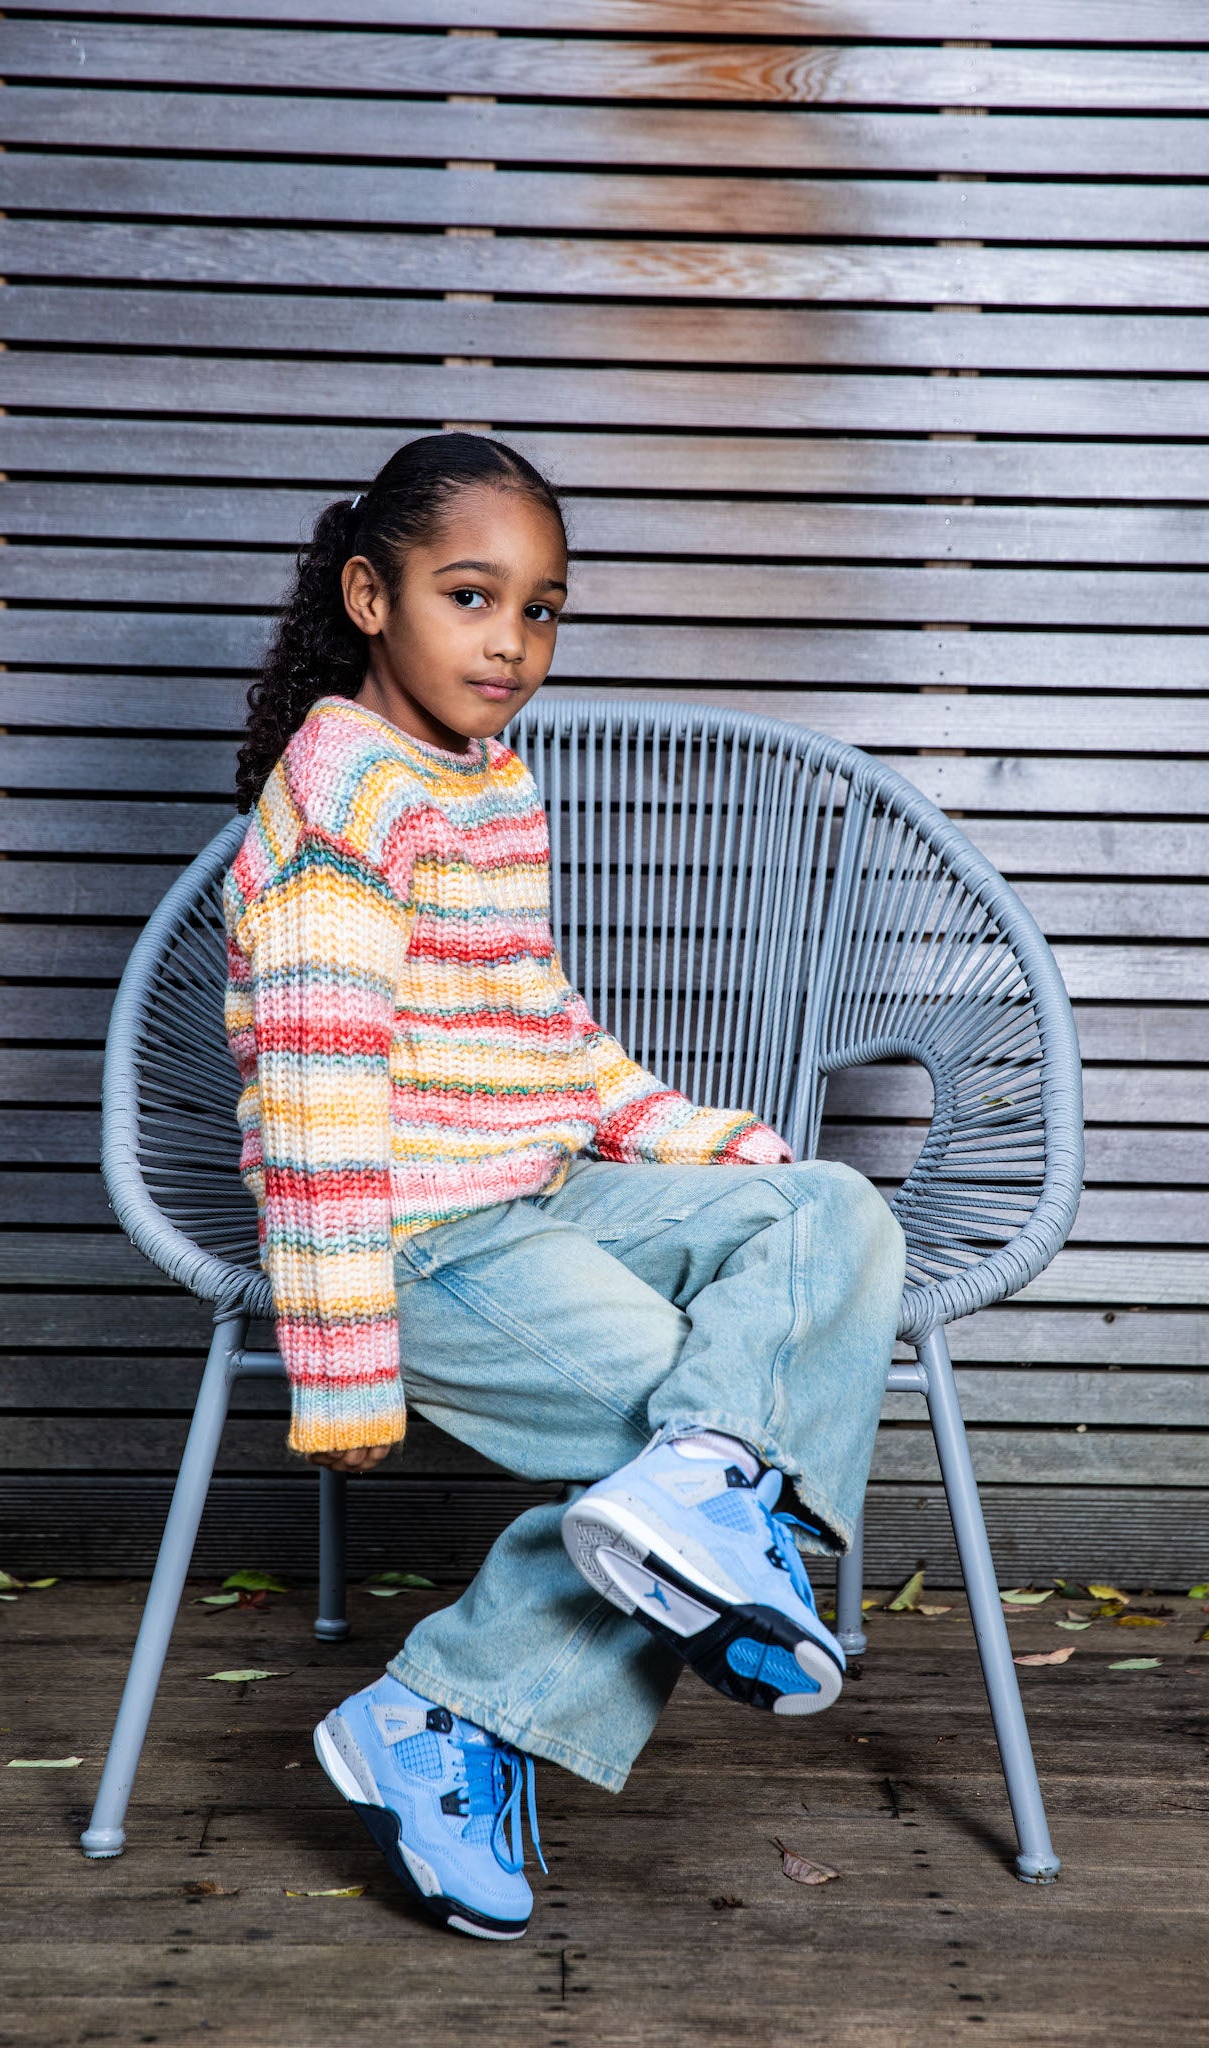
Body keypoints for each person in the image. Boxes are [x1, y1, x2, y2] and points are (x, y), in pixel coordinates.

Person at [225, 431, 906, 1942]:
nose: (509, 641)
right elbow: (318, 1092)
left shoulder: (490, 782)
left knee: (833, 1213)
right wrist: (340, 1370)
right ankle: (463, 1703)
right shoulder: (342, 793)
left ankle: (653, 1541)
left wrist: (702, 1140)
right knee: (699, 1444)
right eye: (471, 596)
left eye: (540, 610)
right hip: (410, 1240)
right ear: (368, 595)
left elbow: (541, 1035)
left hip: (530, 1198)